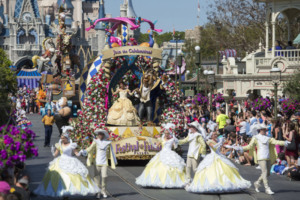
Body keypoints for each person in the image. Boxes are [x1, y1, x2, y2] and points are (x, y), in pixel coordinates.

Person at [34, 126, 100, 198]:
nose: (62, 139)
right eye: (61, 138)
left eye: (63, 138)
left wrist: (81, 152)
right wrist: (53, 151)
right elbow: (55, 155)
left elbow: (77, 154)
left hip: (70, 161)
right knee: (60, 176)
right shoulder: (59, 145)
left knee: (73, 175)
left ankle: (69, 191)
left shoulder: (72, 145)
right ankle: (63, 192)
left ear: (66, 138)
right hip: (60, 161)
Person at [185, 132, 251, 193]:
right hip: (212, 156)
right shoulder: (209, 141)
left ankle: (226, 183)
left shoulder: (218, 141)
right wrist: (220, 143)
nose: (215, 135)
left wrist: (233, 147)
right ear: (211, 136)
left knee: (226, 168)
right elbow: (214, 147)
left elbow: (224, 147)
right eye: (214, 134)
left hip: (219, 156)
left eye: (216, 134)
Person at [237, 124, 290, 195]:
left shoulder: (268, 138)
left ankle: (257, 182)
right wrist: (241, 148)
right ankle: (267, 188)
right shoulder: (255, 137)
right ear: (260, 130)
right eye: (264, 129)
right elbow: (250, 146)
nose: (266, 130)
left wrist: (284, 143)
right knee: (264, 172)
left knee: (267, 173)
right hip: (261, 157)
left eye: (266, 129)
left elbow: (276, 142)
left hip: (268, 157)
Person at [136, 123, 186, 188]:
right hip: (162, 153)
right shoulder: (161, 139)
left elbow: (175, 147)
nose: (166, 135)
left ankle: (172, 181)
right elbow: (155, 146)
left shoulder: (172, 140)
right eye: (165, 133)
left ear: (170, 134)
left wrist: (175, 141)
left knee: (172, 166)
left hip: (170, 153)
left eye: (168, 133)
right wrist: (150, 142)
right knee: (156, 166)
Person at [83, 129, 117, 199]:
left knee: (104, 176)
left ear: (103, 135)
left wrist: (114, 161)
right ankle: (98, 192)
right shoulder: (95, 141)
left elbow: (112, 153)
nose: (99, 135)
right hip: (97, 162)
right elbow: (90, 148)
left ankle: (103, 191)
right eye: (98, 134)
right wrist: (83, 151)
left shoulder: (108, 143)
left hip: (104, 163)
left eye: (101, 134)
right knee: (96, 177)